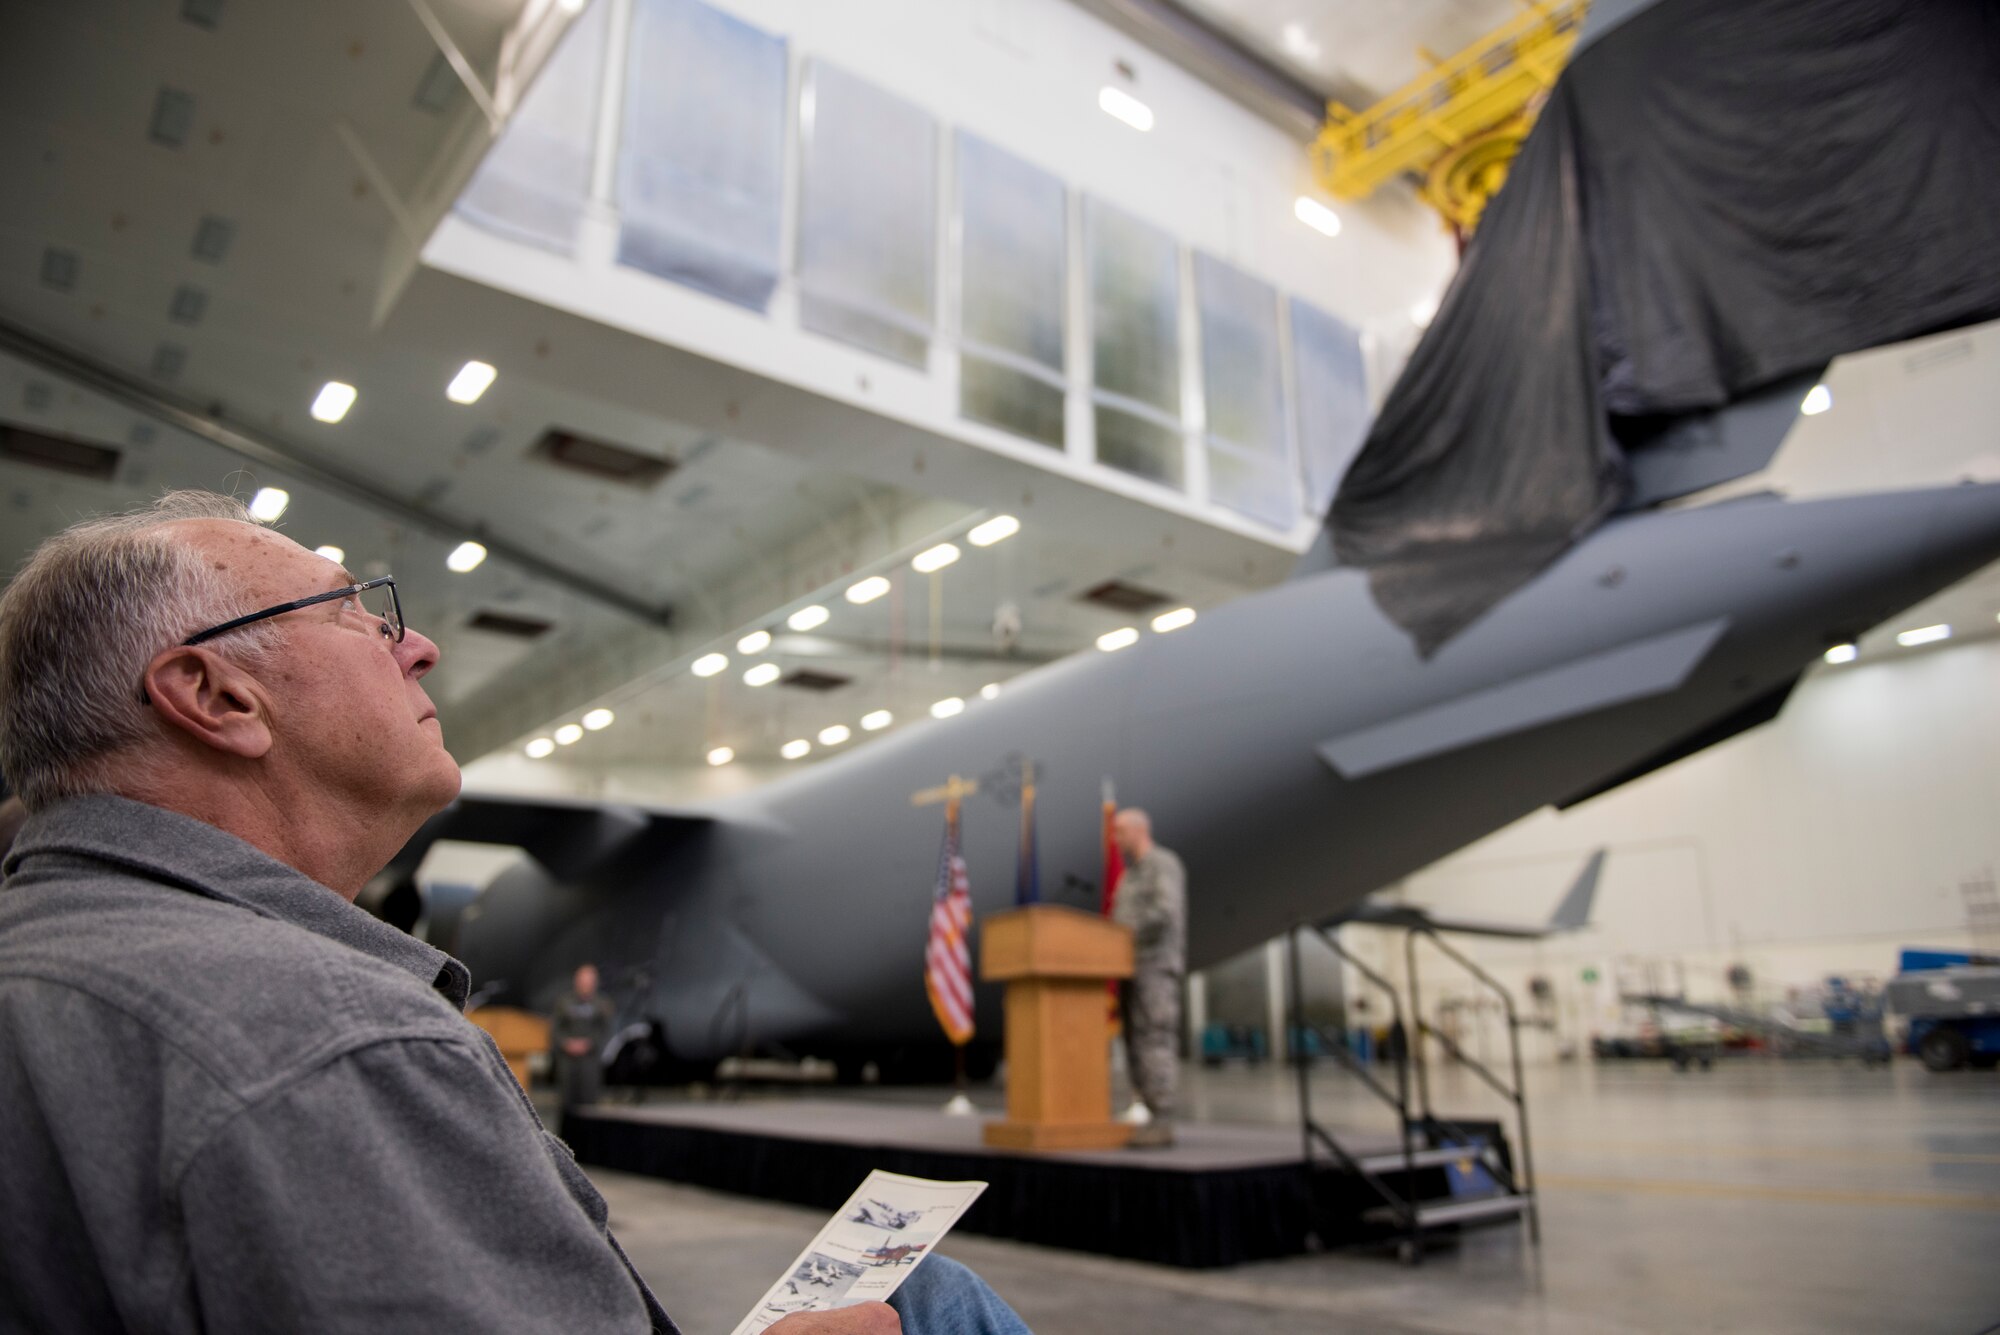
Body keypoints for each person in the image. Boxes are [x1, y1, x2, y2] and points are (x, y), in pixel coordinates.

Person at [0, 491, 1029, 1335]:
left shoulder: (44, 964)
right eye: (352, 609)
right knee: (932, 1308)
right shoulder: (334, 1039)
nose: (420, 646)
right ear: (217, 696)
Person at [1110, 807, 1187, 1148]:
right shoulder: (1128, 876)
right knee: (1135, 1043)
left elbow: (1165, 912)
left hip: (1155, 968)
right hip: (1128, 968)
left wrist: (1124, 933)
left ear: (1139, 830)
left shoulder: (1162, 864)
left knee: (1154, 1039)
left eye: (1120, 831)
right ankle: (1148, 1111)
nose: (1116, 839)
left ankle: (1163, 1117)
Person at [554, 962, 616, 1108]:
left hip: (590, 1061)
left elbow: (605, 1031)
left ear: (595, 983)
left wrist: (589, 1044)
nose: (585, 985)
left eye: (588, 982)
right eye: (582, 981)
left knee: (589, 1104)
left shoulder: (602, 1004)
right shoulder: (564, 1002)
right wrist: (565, 1043)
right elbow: (555, 1029)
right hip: (567, 1061)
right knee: (566, 1104)